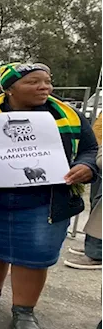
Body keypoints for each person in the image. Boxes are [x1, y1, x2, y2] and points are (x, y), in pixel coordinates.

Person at [0, 63, 98, 329]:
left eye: (47, 81)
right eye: (34, 82)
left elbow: (89, 148)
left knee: (34, 255)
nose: (44, 87)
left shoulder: (68, 115)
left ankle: (24, 311)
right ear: (9, 89)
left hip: (45, 202)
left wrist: (87, 166)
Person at [64, 112, 103, 270]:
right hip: (98, 151)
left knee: (100, 208)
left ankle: (96, 253)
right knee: (96, 204)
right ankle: (93, 247)